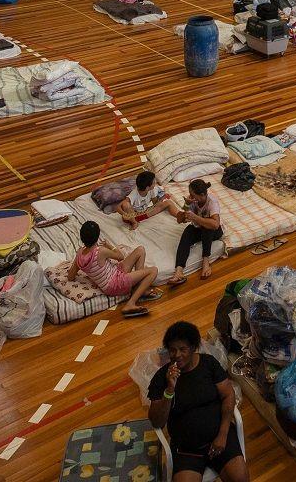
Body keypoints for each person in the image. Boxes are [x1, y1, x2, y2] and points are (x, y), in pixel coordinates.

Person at [148, 322, 248, 482]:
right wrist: (169, 390)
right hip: (186, 449)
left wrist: (222, 435)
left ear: (194, 348)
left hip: (220, 438)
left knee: (240, 479)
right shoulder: (162, 377)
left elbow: (228, 396)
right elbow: (156, 421)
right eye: (172, 350)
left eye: (183, 349)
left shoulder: (209, 364)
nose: (177, 355)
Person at [69, 220, 160, 317]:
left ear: (82, 237)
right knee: (153, 270)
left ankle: (137, 289)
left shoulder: (79, 254)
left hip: (115, 272)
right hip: (114, 284)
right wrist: (109, 246)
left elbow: (70, 276)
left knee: (140, 250)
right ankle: (131, 303)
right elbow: (120, 256)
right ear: (97, 237)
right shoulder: (100, 251)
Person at [165, 179, 223, 285]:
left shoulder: (211, 202)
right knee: (188, 231)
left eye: (192, 195)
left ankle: (206, 262)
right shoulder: (192, 201)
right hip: (199, 228)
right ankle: (179, 271)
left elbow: (215, 224)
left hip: (214, 231)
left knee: (207, 227)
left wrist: (196, 218)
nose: (190, 197)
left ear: (201, 195)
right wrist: (186, 205)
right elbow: (179, 220)